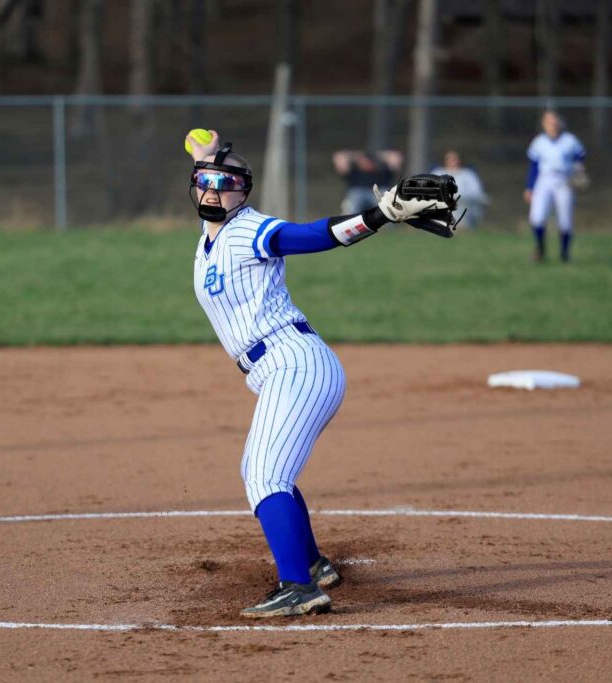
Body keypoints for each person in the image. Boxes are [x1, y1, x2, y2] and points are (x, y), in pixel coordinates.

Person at [185, 129, 446, 618]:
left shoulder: (248, 229)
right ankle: (312, 563)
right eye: (204, 182)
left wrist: (379, 216)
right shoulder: (209, 239)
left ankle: (298, 586)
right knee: (263, 470)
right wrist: (207, 155)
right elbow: (206, 168)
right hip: (278, 368)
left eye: (225, 183)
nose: (212, 191)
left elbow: (315, 236)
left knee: (264, 475)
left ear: (246, 192)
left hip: (294, 363)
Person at [524, 110, 587, 262]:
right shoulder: (539, 142)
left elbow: (580, 156)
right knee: (537, 218)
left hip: (564, 180)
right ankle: (540, 249)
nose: (552, 125)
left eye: (554, 121)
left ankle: (565, 254)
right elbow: (533, 166)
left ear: (559, 122)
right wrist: (529, 187)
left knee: (565, 220)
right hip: (544, 180)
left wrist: (577, 170)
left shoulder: (569, 140)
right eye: (548, 122)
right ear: (544, 124)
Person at [332, 149, 403, 214]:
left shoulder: (383, 170)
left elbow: (396, 158)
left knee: (384, 194)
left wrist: (376, 156)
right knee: (356, 195)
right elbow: (338, 158)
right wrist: (358, 157)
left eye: (369, 161)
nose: (367, 163)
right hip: (359, 194)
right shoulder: (354, 171)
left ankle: (388, 224)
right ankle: (348, 223)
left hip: (378, 193)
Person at [431, 150, 488, 229]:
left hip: (463, 205)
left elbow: (477, 193)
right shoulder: (438, 173)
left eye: (455, 159)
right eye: (450, 159)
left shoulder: (468, 174)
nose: (452, 162)